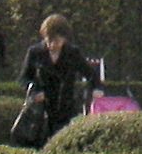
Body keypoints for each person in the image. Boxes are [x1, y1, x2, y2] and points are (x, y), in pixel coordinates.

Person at [18, 14, 93, 144]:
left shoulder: (73, 53)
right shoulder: (35, 52)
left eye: (57, 41)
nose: (52, 45)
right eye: (49, 41)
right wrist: (34, 91)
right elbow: (24, 78)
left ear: (64, 38)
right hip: (42, 111)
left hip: (66, 108)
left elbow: (90, 74)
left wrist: (95, 89)